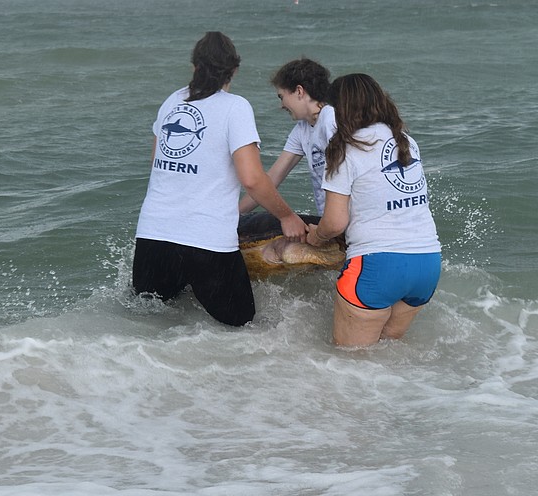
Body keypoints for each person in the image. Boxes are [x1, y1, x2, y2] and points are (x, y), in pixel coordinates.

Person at [133, 32, 307, 327]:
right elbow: (252, 178)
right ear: (234, 71)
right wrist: (286, 216)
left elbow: (157, 163)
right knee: (242, 327)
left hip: (153, 236)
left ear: (194, 67)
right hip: (206, 243)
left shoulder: (171, 102)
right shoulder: (234, 107)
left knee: (150, 323)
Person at [305, 74, 441, 347]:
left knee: (351, 364)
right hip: (427, 263)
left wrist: (315, 238)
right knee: (384, 362)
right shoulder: (406, 141)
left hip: (377, 265)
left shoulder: (344, 149)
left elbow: (334, 222)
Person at [239, 58, 336, 216]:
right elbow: (271, 179)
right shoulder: (302, 130)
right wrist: (234, 216)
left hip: (350, 223)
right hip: (329, 222)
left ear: (299, 91)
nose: (281, 105)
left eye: (281, 96)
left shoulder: (331, 119)